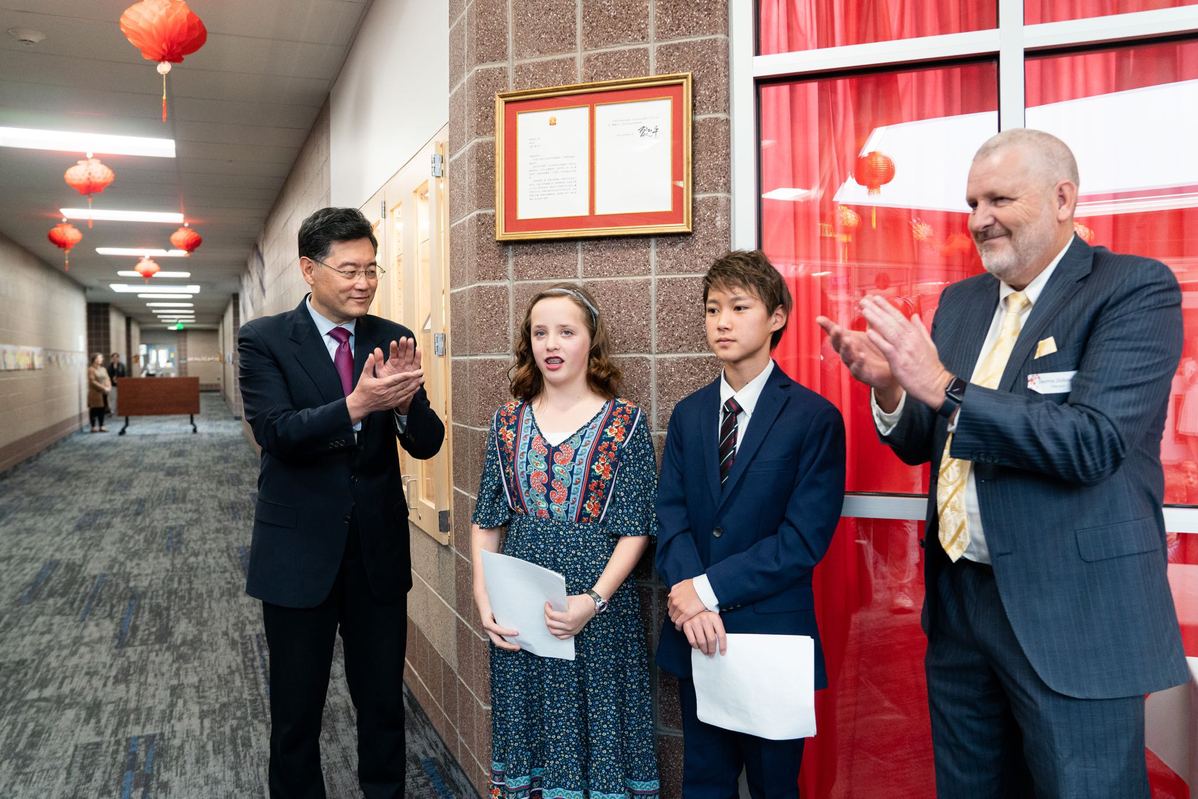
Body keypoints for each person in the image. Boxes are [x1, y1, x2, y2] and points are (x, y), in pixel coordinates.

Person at [818, 129, 1188, 797]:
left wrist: (941, 384)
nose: (978, 218)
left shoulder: (1133, 289)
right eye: (971, 201)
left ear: (1063, 198)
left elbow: (1093, 440)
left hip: (1071, 616)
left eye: (999, 198)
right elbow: (923, 440)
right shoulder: (961, 303)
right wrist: (893, 387)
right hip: (963, 608)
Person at [238, 206, 444, 798]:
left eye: (371, 269)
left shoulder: (389, 337)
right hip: (297, 552)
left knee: (382, 703)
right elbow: (277, 431)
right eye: (348, 269)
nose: (364, 283)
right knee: (295, 715)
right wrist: (358, 404)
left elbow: (427, 443)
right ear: (309, 269)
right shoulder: (265, 339)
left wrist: (404, 405)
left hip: (375, 551)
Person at [656, 250, 846, 798]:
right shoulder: (690, 414)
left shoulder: (813, 418)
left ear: (777, 317)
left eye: (740, 307)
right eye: (713, 309)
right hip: (697, 637)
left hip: (771, 634)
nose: (723, 321)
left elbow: (802, 540)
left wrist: (703, 592)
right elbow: (670, 513)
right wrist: (688, 594)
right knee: (705, 781)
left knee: (773, 786)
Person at [471, 284, 660, 799]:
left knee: (596, 731)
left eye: (566, 331)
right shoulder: (507, 422)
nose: (550, 343)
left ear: (590, 342)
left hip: (596, 612)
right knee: (533, 736)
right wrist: (484, 598)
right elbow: (488, 519)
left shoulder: (626, 422)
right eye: (539, 332)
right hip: (522, 612)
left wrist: (593, 601)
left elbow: (636, 527)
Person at [87, 353, 112, 432]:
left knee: (102, 409)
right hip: (95, 393)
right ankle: (93, 426)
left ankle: (101, 425)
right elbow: (92, 381)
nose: (102, 359)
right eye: (100, 358)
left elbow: (107, 378)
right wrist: (103, 388)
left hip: (103, 393)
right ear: (95, 359)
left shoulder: (103, 369)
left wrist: (108, 387)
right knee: (94, 409)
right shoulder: (91, 369)